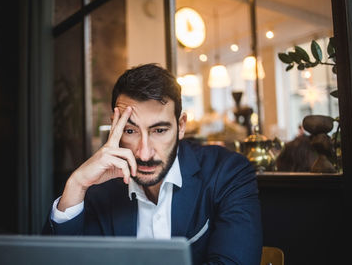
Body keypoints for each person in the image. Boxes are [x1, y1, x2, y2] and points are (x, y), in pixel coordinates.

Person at [43, 63, 262, 264]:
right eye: (130, 131)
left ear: (181, 125)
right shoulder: (98, 186)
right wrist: (76, 184)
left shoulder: (227, 172)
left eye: (159, 130)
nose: (144, 153)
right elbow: (56, 260)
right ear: (115, 127)